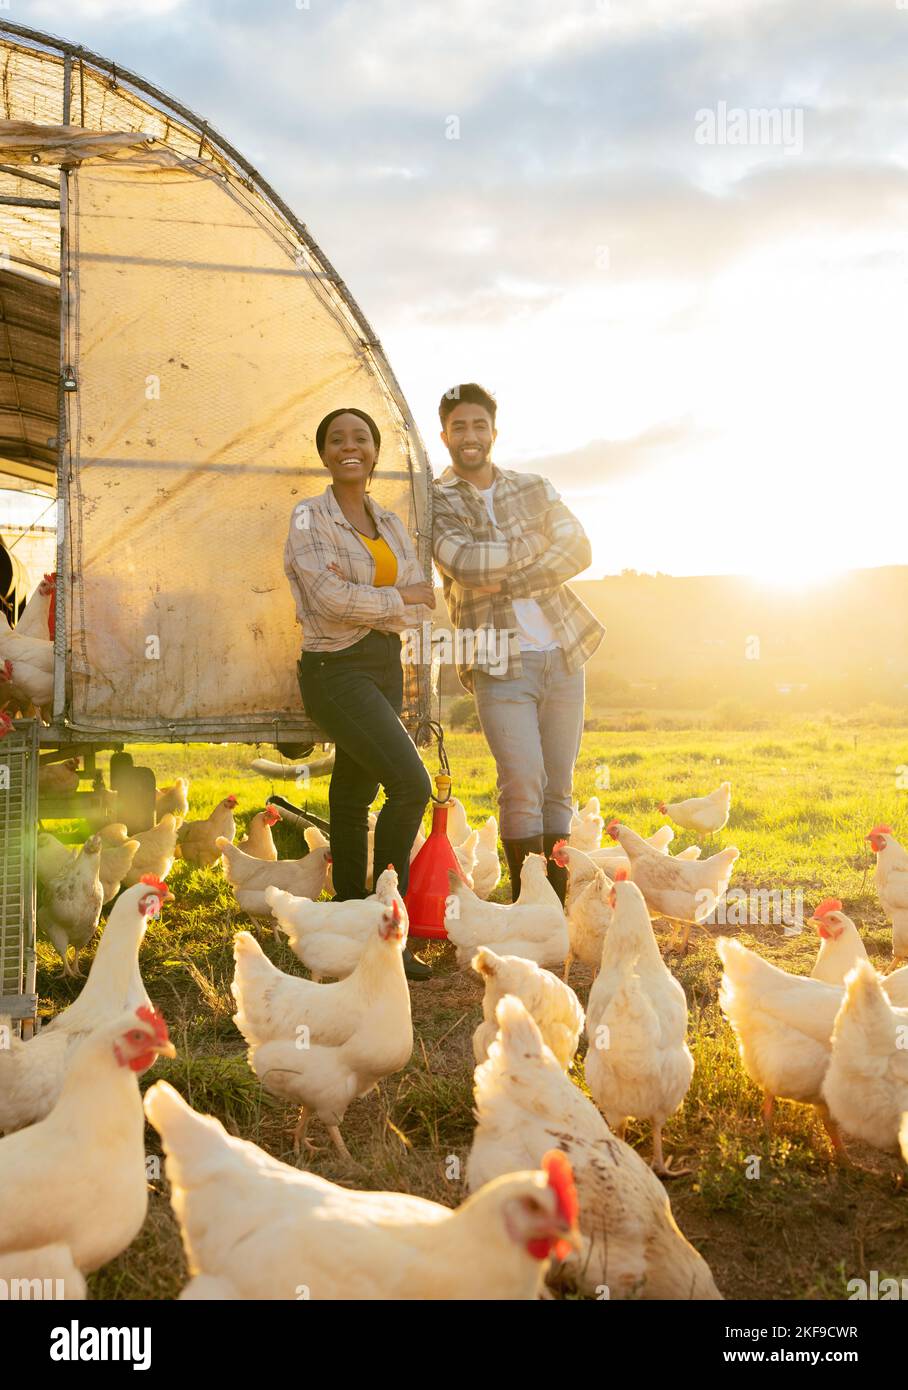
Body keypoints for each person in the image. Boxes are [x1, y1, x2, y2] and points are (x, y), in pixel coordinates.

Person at [432, 383, 605, 903]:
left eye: (479, 425)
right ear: (444, 435)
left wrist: (506, 573)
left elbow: (579, 548)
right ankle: (528, 904)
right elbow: (463, 563)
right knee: (523, 785)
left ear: (493, 432)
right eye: (459, 426)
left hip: (563, 652)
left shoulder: (534, 486)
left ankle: (554, 905)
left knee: (559, 787)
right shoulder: (434, 502)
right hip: (498, 661)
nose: (470, 435)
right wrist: (534, 546)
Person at [283, 407, 435, 980]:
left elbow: (422, 598)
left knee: (352, 795)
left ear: (375, 451)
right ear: (324, 453)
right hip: (334, 668)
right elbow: (327, 597)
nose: (351, 446)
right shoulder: (308, 517)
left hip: (383, 665)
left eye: (362, 438)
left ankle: (348, 920)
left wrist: (391, 604)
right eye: (337, 439)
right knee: (410, 784)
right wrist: (396, 600)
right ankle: (383, 925)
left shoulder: (390, 523)